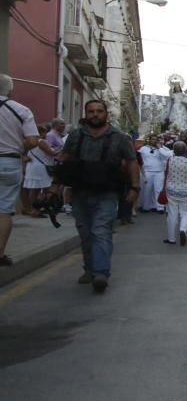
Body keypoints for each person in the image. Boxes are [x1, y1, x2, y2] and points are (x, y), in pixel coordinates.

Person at [50, 99, 139, 293]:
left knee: (100, 230)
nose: (95, 115)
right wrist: (54, 186)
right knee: (85, 232)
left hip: (107, 193)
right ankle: (89, 269)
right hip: (80, 192)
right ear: (86, 114)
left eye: (99, 111)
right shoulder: (75, 136)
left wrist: (134, 188)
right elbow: (65, 160)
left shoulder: (119, 137)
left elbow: (132, 162)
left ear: (106, 114)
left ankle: (101, 273)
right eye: (91, 111)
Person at [0, 74, 40, 265]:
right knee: (4, 210)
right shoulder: (21, 110)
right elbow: (33, 140)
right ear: (10, 91)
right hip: (9, 162)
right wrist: (18, 146)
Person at [163, 141, 187, 246]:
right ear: (185, 150)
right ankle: (183, 230)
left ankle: (171, 238)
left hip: (172, 191)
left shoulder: (169, 160)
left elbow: (165, 171)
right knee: (186, 212)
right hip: (186, 190)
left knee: (172, 214)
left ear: (174, 150)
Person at [24, 124, 59, 217]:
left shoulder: (29, 142)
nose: (46, 134)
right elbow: (51, 153)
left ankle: (34, 209)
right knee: (43, 188)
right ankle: (37, 209)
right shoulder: (41, 142)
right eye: (45, 132)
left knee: (34, 189)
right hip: (41, 168)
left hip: (32, 167)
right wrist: (59, 151)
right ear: (40, 132)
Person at [138, 136, 167, 212]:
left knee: (158, 189)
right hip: (147, 171)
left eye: (156, 139)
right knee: (147, 189)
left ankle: (159, 207)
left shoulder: (161, 149)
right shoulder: (143, 148)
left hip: (159, 171)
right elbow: (139, 158)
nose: (154, 141)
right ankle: (146, 207)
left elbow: (166, 156)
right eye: (153, 139)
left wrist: (160, 147)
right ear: (149, 140)